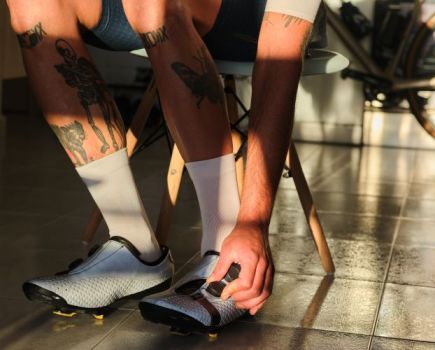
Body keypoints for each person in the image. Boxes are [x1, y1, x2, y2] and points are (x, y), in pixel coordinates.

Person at [6, 0, 321, 333]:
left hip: (250, 21)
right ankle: (135, 247)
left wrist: (252, 222)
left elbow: (279, 61)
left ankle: (225, 243)